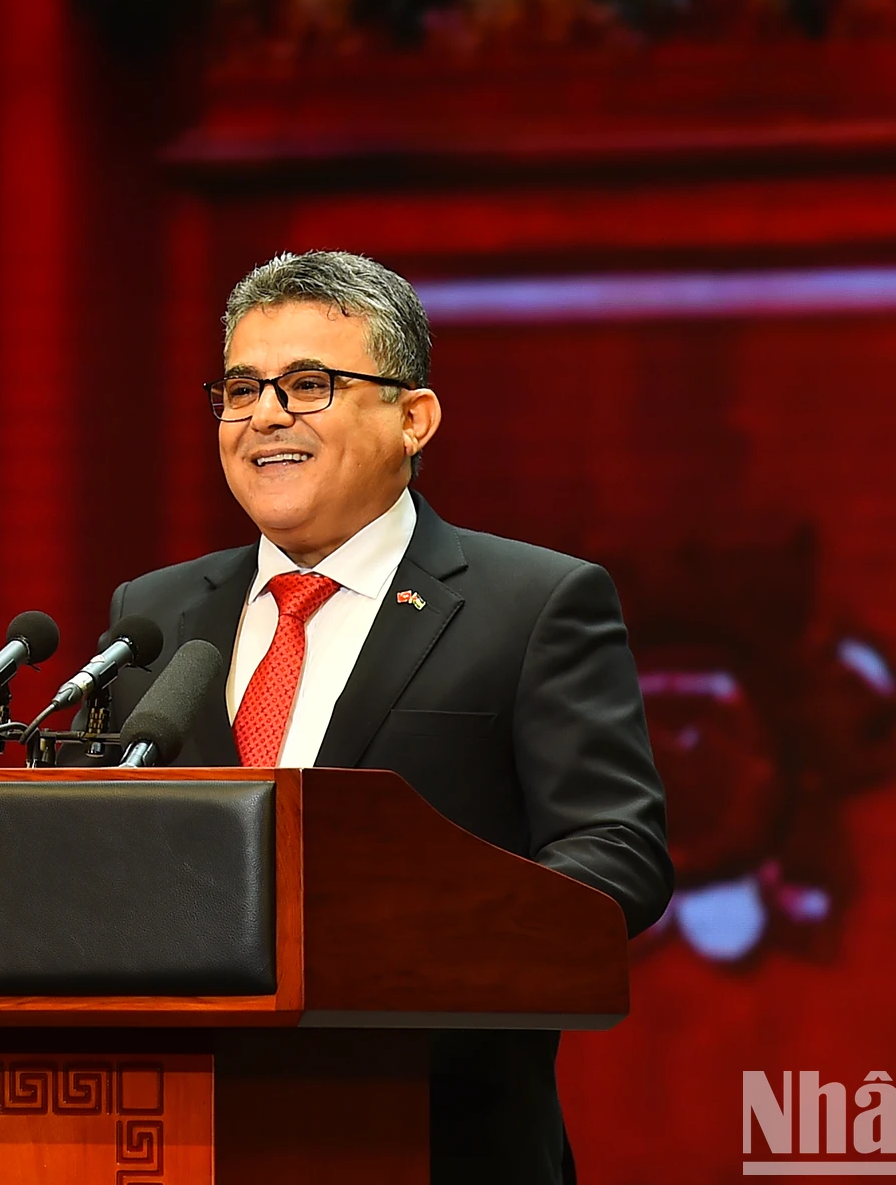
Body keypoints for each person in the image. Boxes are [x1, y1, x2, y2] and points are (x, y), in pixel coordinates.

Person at [89, 250, 672, 1184]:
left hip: (437, 1131)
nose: (266, 414)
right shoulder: (154, 616)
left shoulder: (533, 602)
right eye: (241, 390)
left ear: (413, 417)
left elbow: (616, 851)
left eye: (309, 384)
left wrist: (410, 945)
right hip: (171, 1132)